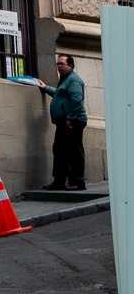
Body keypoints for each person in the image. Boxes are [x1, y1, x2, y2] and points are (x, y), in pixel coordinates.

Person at [37, 52, 88, 190]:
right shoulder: (65, 79)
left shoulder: (73, 80)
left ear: (70, 65)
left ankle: (78, 180)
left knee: (73, 151)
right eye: (58, 63)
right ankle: (60, 180)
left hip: (72, 121)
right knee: (60, 150)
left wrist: (70, 118)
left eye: (62, 64)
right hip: (65, 121)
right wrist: (46, 88)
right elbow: (60, 94)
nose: (59, 66)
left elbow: (76, 101)